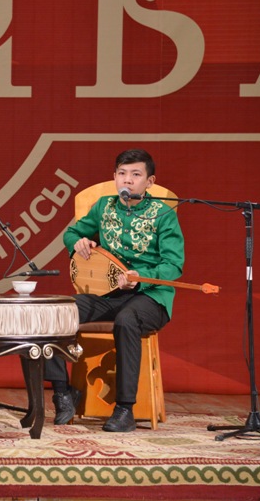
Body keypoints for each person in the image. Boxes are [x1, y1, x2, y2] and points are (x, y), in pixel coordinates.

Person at [45, 149, 184, 432]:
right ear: (115, 177)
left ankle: (125, 409)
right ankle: (63, 393)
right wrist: (79, 243)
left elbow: (173, 265)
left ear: (149, 181)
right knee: (55, 312)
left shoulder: (163, 214)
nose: (127, 180)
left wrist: (140, 277)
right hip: (107, 293)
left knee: (126, 320)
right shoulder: (103, 206)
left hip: (150, 297)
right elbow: (71, 233)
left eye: (136, 174)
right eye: (122, 173)